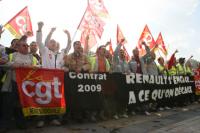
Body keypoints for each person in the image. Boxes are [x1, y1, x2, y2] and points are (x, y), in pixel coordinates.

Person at [0, 38, 37, 132]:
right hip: (11, 84)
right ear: (18, 47)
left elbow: (39, 69)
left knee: (22, 105)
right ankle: (5, 125)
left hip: (25, 86)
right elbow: (2, 63)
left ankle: (21, 123)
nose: (26, 47)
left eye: (27, 45)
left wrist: (32, 67)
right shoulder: (11, 55)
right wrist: (12, 64)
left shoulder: (32, 58)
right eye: (24, 45)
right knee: (7, 105)